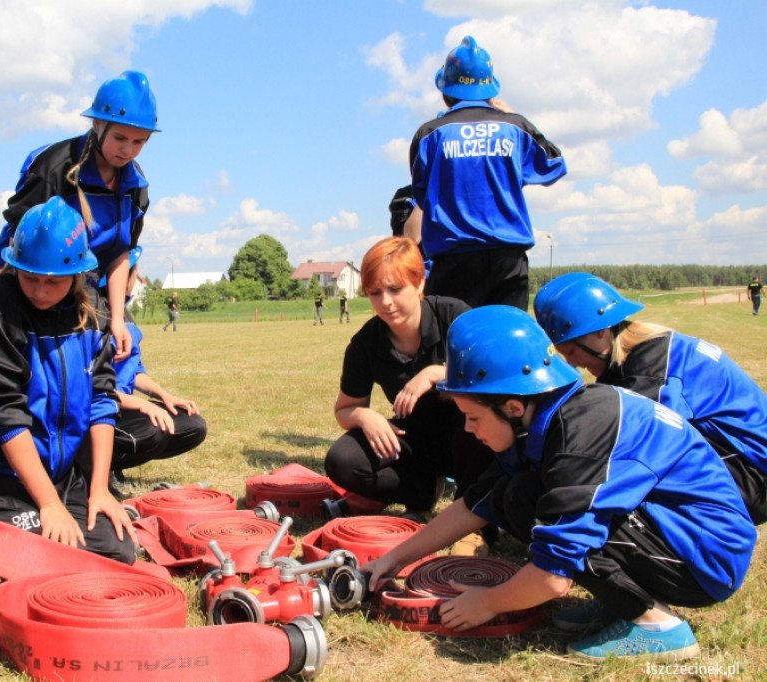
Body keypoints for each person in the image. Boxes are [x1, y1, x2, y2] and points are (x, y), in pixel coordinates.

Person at [361, 305, 755, 662]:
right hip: (677, 536)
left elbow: (553, 575)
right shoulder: (545, 418)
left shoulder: (580, 436)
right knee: (517, 496)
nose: (468, 428)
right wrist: (393, 560)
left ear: (512, 407)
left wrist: (488, 602)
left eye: (473, 417)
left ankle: (658, 626)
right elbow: (473, 505)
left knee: (554, 517)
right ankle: (625, 601)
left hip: (707, 557)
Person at [0, 196, 136, 564]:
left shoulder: (94, 310)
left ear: (76, 274)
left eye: (53, 282)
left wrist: (99, 489)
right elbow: (5, 413)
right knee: (55, 558)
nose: (39, 291)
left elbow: (102, 400)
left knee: (118, 552)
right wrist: (49, 505)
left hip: (62, 475)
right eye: (30, 278)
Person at [534, 272, 767, 524]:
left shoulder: (651, 370)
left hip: (750, 480)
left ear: (601, 331)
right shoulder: (648, 352)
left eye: (570, 351)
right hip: (740, 468)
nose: (572, 362)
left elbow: (630, 443)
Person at [324, 237, 493, 554]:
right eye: (375, 292)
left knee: (474, 414)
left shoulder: (455, 317)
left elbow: (493, 375)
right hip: (416, 439)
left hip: (472, 437)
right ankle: (421, 496)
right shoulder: (365, 343)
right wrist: (366, 416)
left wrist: (435, 373)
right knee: (343, 461)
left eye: (395, 289)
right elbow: (345, 409)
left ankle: (476, 524)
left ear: (419, 284)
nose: (385, 302)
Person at [0, 70, 160, 362]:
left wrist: (117, 319)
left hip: (93, 291)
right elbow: (18, 242)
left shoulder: (135, 185)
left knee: (124, 357)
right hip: (40, 285)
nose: (127, 150)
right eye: (120, 137)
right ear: (98, 124)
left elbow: (121, 253)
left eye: (139, 142)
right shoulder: (53, 167)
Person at [409, 36, 567, 310]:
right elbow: (554, 165)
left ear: (446, 90)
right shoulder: (514, 127)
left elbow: (422, 196)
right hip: (507, 260)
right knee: (506, 334)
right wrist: (514, 116)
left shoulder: (429, 134)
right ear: (490, 91)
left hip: (451, 260)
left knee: (455, 333)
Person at [100, 249, 207, 487]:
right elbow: (94, 389)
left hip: (122, 406)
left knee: (192, 425)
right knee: (152, 430)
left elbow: (134, 370)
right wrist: (144, 405)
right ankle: (97, 469)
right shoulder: (94, 316)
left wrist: (164, 396)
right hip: (99, 410)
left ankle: (114, 465)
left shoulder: (123, 314)